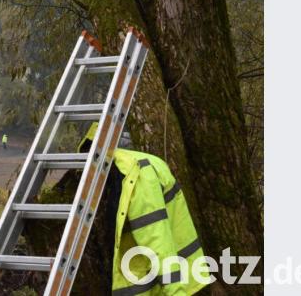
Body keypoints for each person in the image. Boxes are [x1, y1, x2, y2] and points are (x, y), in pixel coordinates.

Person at [77, 123, 210, 295]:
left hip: (169, 280)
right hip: (155, 272)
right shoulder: (122, 167)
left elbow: (157, 238)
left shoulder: (139, 179)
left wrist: (176, 291)